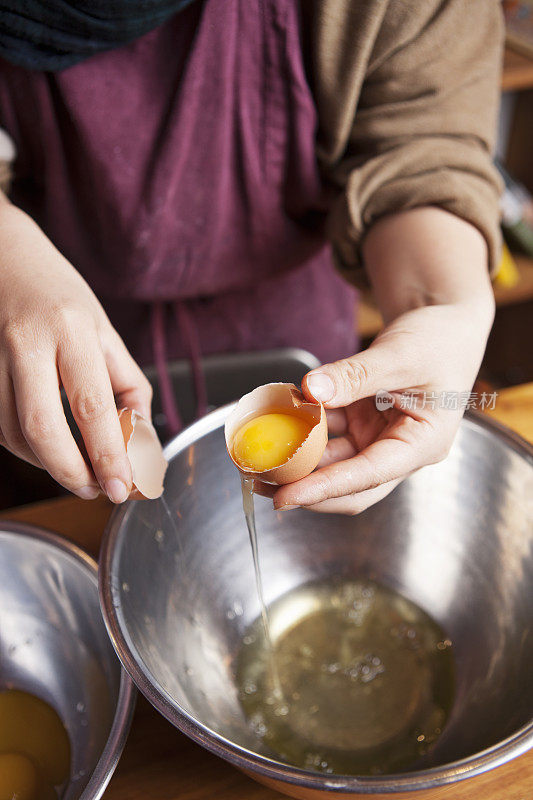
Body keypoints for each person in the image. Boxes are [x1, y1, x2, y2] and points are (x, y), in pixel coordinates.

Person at [0, 0, 502, 514]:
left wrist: (443, 302)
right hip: (54, 319)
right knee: (74, 487)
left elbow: (422, 146)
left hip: (289, 310)